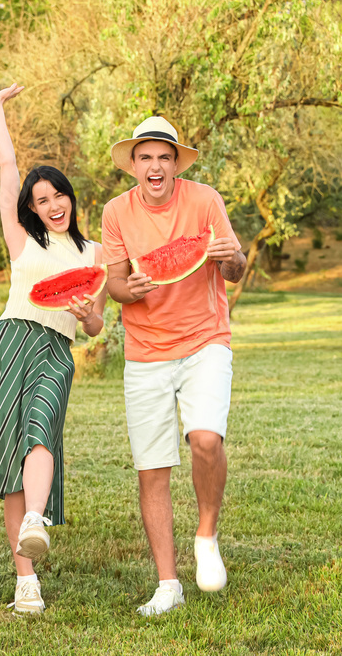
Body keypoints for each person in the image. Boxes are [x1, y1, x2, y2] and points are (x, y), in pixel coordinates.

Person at [0, 84, 106, 615]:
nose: (52, 204)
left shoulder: (95, 253)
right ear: (31, 210)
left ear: (70, 198)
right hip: (9, 343)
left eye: (58, 194)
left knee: (41, 429)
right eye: (41, 200)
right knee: (13, 462)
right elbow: (9, 167)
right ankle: (26, 581)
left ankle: (35, 520)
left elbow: (95, 324)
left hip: (56, 350)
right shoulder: (22, 239)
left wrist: (88, 317)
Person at [101, 116, 247, 616]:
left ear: (176, 163)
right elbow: (115, 284)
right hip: (145, 353)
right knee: (152, 471)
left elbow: (234, 268)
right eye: (146, 157)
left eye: (165, 156)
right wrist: (130, 290)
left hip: (207, 339)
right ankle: (168, 583)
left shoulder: (206, 201)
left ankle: (206, 534)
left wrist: (233, 257)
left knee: (206, 439)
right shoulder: (116, 212)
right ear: (134, 165)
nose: (156, 165)